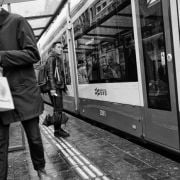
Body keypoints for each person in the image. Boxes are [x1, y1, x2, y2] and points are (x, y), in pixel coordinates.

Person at [0, 4, 52, 180]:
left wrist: (2, 57)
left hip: (23, 92)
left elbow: (33, 54)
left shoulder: (17, 21)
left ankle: (41, 171)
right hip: (0, 94)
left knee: (34, 138)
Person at [46, 41, 70, 138]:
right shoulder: (51, 59)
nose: (61, 49)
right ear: (53, 49)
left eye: (62, 47)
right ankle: (57, 130)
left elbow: (61, 75)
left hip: (58, 87)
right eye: (59, 47)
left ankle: (58, 129)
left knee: (58, 109)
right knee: (58, 109)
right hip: (54, 88)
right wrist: (52, 89)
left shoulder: (57, 58)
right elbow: (50, 74)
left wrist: (65, 88)